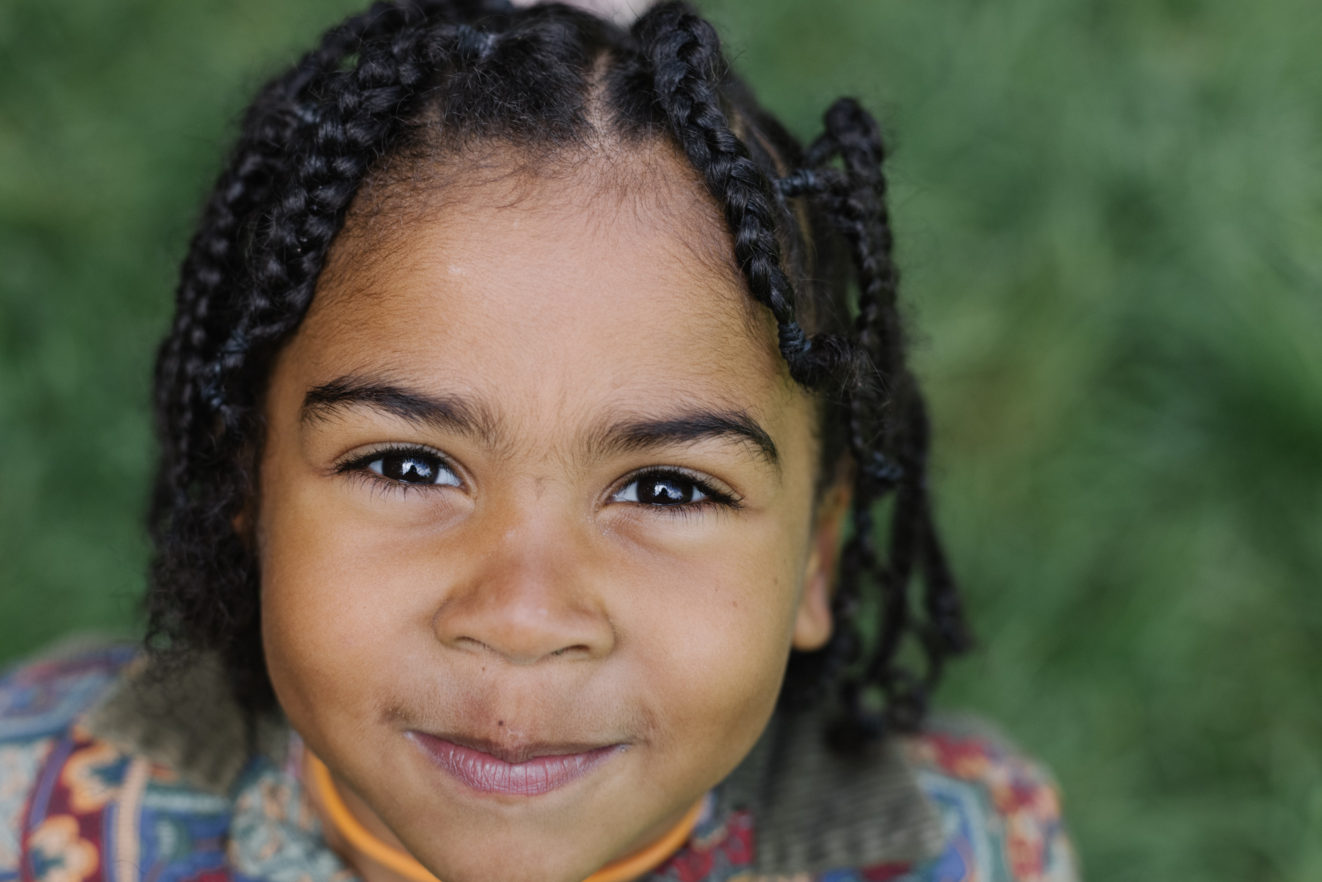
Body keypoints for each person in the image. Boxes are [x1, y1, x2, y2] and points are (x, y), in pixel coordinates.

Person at [0, 2, 1078, 880]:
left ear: (815, 559)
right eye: (406, 464)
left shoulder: (965, 850)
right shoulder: (33, 805)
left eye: (664, 489)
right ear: (253, 491)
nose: (522, 615)